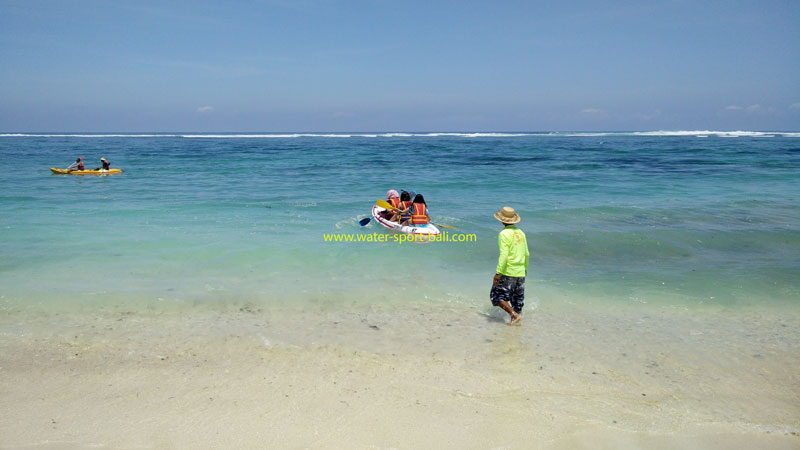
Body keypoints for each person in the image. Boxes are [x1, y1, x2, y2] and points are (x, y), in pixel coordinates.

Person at [490, 206, 529, 325]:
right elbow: (526, 253)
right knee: (517, 300)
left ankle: (513, 315)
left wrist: (498, 273)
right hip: (521, 271)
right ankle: (516, 321)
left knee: (496, 296)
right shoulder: (520, 232)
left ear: (502, 220)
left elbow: (504, 255)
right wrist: (524, 268)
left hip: (508, 271)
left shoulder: (503, 234)